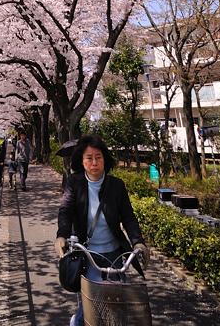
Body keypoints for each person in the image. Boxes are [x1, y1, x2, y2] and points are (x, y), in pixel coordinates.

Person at [54, 134, 150, 326]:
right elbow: (65, 211)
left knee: (116, 300)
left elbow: (129, 218)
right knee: (92, 302)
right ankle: (77, 322)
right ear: (82, 161)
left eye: (98, 157)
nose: (94, 162)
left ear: (105, 159)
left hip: (114, 253)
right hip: (86, 253)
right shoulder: (75, 183)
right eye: (89, 158)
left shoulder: (116, 186)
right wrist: (61, 236)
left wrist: (138, 242)